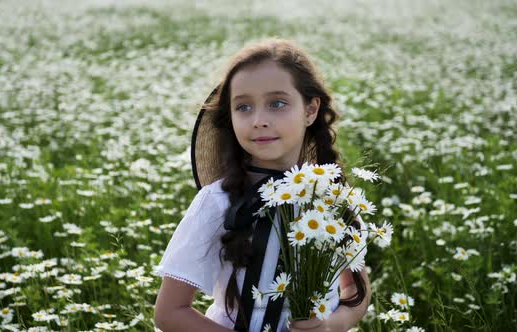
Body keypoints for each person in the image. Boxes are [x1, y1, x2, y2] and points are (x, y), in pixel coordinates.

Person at [153, 37, 371, 332]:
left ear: (310, 110)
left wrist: (332, 325)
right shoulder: (219, 202)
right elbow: (170, 312)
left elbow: (356, 292)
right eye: (243, 107)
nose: (258, 120)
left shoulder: (330, 197)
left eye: (277, 103)